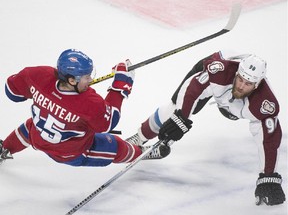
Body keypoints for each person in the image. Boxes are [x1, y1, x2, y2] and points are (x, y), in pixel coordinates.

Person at [126, 50, 286, 206]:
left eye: (248, 83)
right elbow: (192, 90)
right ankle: (139, 137)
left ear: (257, 84)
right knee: (174, 109)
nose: (241, 86)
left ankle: (163, 142)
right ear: (237, 73)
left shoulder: (265, 103)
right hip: (211, 76)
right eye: (240, 79)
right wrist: (181, 117)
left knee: (191, 114)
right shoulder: (219, 71)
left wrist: (268, 176)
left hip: (231, 105)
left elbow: (269, 140)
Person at [0, 49, 170, 167]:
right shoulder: (90, 103)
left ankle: (4, 148)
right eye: (87, 77)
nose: (90, 80)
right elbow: (109, 122)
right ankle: (139, 153)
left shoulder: (37, 75)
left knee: (31, 126)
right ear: (72, 81)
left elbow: (12, 93)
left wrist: (44, 96)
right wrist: (120, 86)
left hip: (38, 136)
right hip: (70, 153)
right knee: (115, 146)